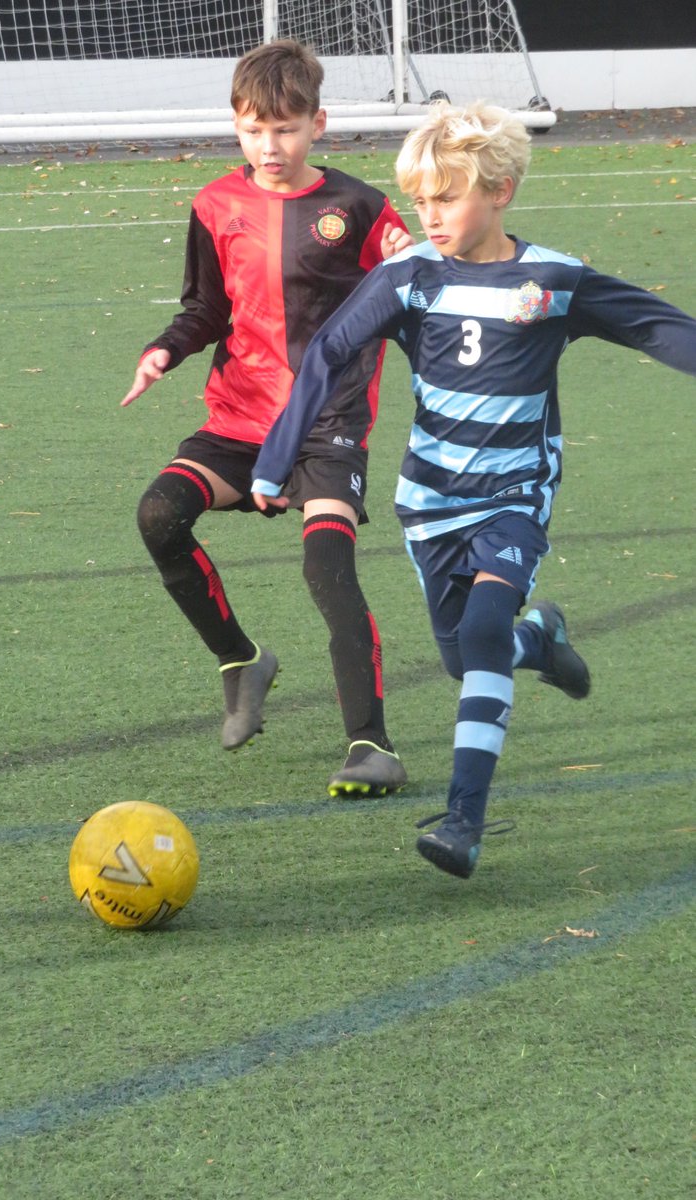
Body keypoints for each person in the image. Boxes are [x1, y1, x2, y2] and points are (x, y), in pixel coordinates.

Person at [251, 100, 696, 875]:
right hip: (429, 501)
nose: (430, 214)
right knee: (466, 657)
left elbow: (658, 327)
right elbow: (327, 351)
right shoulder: (409, 277)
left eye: (446, 197)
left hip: (515, 493)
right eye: (420, 199)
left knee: (482, 631)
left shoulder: (553, 280)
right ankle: (540, 641)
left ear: (502, 190)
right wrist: (274, 457)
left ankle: (463, 819)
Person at [122, 40, 414, 796]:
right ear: (236, 126)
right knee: (159, 515)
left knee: (328, 568)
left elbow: (416, 283)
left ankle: (369, 746)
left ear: (319, 124)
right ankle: (242, 661)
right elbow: (205, 310)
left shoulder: (359, 208)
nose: (270, 146)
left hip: (327, 423)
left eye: (285, 129)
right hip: (241, 419)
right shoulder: (215, 206)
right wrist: (165, 350)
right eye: (255, 130)